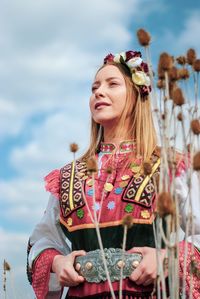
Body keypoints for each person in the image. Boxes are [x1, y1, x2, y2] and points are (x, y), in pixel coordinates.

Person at [27, 50, 200, 299]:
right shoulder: (69, 175)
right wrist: (57, 263)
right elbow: (42, 239)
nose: (98, 91)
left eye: (112, 84)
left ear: (136, 95)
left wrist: (167, 257)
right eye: (94, 86)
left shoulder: (170, 166)